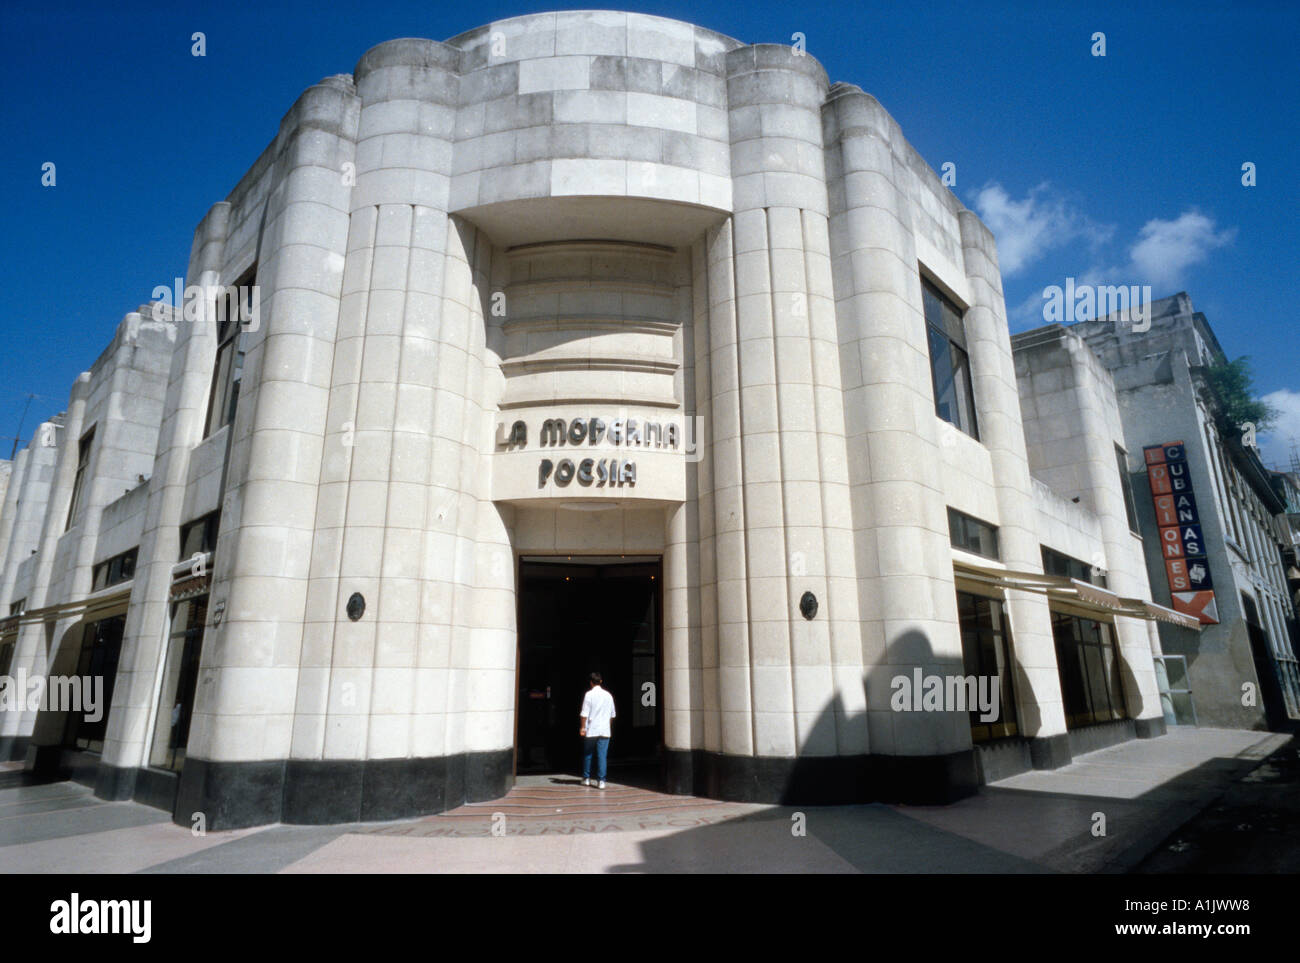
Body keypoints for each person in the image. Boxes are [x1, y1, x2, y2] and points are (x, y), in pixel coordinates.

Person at [579, 671, 616, 789]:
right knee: (602, 755)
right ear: (601, 681)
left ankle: (586, 778)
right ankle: (601, 781)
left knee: (588, 754)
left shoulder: (588, 695)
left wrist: (582, 727)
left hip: (591, 729)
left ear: (591, 683)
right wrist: (608, 726)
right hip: (605, 730)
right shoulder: (608, 695)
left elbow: (584, 713)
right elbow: (612, 715)